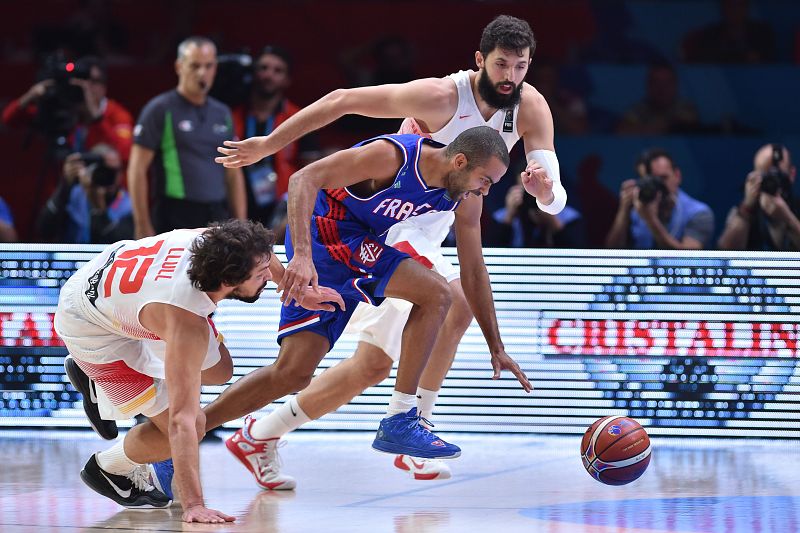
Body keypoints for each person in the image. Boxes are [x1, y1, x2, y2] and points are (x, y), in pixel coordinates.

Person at [213, 14, 559, 482]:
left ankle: (260, 433)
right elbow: (341, 101)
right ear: (480, 60)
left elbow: (540, 208)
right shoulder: (437, 99)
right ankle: (412, 423)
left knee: (371, 365)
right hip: (383, 226)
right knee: (448, 298)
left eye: (520, 67)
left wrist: (545, 194)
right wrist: (270, 145)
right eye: (502, 64)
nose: (510, 76)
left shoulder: (520, 119)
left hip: (416, 230)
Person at [217, 126, 531, 490]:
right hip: (337, 236)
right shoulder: (397, 153)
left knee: (322, 369)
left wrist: (496, 346)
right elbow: (312, 161)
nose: (486, 191)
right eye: (485, 181)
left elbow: (475, 268)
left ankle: (231, 433)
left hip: (371, 241)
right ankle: (407, 419)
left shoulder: (470, 190)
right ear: (460, 161)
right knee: (443, 297)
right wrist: (300, 254)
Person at [56, 219, 343, 523]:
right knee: (194, 425)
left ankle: (103, 384)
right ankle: (109, 467)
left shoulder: (215, 242)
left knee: (221, 371)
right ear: (230, 280)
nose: (268, 277)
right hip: (90, 327)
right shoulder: (186, 324)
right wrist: (194, 504)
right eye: (261, 274)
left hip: (121, 290)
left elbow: (259, 251)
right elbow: (182, 421)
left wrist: (293, 288)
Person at [128, 36, 247, 239]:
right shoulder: (159, 109)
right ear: (179, 66)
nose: (202, 73)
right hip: (174, 213)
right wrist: (142, 224)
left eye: (208, 66)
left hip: (217, 214)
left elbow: (233, 173)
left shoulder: (222, 113)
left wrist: (241, 224)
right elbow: (137, 169)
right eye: (195, 66)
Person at [231, 45, 320, 239]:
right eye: (263, 68)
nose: (269, 75)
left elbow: (313, 173)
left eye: (277, 71)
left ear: (287, 80)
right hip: (236, 208)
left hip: (281, 211)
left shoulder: (300, 119)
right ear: (254, 72)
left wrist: (289, 220)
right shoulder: (231, 115)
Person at [605, 148, 714, 250]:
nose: (658, 187)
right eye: (650, 180)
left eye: (663, 178)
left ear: (677, 176)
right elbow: (612, 253)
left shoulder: (699, 213)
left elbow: (689, 258)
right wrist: (623, 210)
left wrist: (650, 219)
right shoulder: (635, 207)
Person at [36, 143, 133, 243]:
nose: (111, 176)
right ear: (90, 169)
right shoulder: (74, 194)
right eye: (105, 171)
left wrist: (98, 207)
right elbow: (44, 230)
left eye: (116, 171)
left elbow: (120, 246)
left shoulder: (128, 205)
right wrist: (65, 185)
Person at [718, 144, 800, 250]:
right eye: (765, 175)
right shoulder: (743, 212)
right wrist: (747, 208)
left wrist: (788, 219)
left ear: (792, 174)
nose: (772, 182)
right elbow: (724, 254)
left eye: (777, 176)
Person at [616, 63, 700, 136]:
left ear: (675, 86)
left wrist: (644, 129)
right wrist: (662, 129)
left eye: (667, 83)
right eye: (656, 82)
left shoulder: (686, 108)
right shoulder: (638, 109)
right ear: (648, 86)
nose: (661, 88)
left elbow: (685, 128)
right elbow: (622, 131)